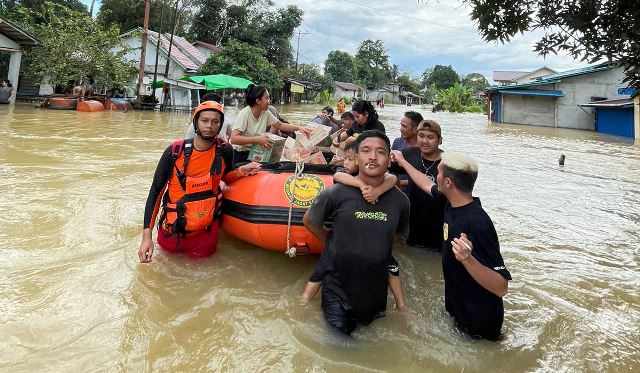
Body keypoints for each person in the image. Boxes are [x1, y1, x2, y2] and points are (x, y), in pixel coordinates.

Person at [303, 130, 410, 335]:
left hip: (375, 292)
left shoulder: (400, 202)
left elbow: (397, 237)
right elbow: (309, 221)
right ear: (357, 158)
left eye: (380, 152)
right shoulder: (335, 194)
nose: (372, 156)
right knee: (339, 348)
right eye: (366, 151)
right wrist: (334, 243)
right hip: (337, 290)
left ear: (389, 159)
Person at [139, 101, 262, 262]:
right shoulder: (175, 152)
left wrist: (241, 171)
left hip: (207, 234)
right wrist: (146, 238)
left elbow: (225, 177)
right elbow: (156, 192)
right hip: (173, 232)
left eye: (215, 121)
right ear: (196, 122)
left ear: (220, 125)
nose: (209, 126)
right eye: (204, 120)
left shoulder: (225, 150)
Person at [436, 152, 511, 340]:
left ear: (448, 183)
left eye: (438, 173)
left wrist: (468, 259)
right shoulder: (452, 205)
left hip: (479, 324)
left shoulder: (477, 223)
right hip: (460, 310)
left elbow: (501, 287)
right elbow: (426, 185)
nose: (434, 177)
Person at [390, 120, 447, 251]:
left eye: (430, 137)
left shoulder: (447, 163)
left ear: (440, 140)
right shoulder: (409, 154)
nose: (425, 141)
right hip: (412, 222)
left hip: (438, 224)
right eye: (421, 136)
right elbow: (390, 173)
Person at [230, 84, 310, 164]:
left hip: (256, 152)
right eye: (267, 98)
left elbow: (280, 125)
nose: (270, 101)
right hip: (241, 154)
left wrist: (299, 128)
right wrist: (257, 139)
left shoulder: (265, 113)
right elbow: (233, 139)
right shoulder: (245, 114)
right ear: (258, 101)